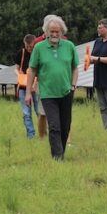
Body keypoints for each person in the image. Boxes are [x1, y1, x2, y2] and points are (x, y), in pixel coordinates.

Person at [26, 15, 79, 160]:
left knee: (65, 126)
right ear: (46, 32)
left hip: (66, 92)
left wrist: (73, 85)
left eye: (57, 31)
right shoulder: (39, 47)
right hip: (48, 93)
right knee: (54, 126)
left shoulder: (69, 46)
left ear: (62, 32)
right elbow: (32, 70)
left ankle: (60, 151)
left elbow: (75, 68)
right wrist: (28, 93)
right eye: (52, 31)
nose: (54, 34)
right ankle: (57, 157)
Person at [15, 34, 41, 139]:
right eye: (27, 46)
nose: (29, 49)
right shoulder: (20, 53)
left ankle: (43, 133)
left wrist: (35, 84)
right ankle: (31, 135)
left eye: (31, 47)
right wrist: (19, 75)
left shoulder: (39, 53)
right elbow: (16, 68)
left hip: (36, 86)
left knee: (39, 111)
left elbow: (40, 71)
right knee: (26, 112)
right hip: (23, 87)